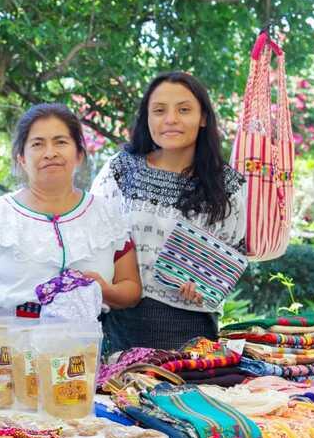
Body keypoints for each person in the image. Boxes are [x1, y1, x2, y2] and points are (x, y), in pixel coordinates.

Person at [91, 71, 247, 350]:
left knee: (186, 394)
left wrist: (205, 286)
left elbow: (234, 251)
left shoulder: (228, 185)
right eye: (159, 110)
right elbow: (93, 236)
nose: (171, 119)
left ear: (203, 118)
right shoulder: (121, 169)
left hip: (193, 326)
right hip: (120, 321)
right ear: (147, 118)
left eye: (184, 110)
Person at [0, 102, 141, 326]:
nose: (50, 153)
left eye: (61, 142)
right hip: (10, 348)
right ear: (21, 158)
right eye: (37, 144)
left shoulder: (106, 213)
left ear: (79, 154)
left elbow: (131, 288)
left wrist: (104, 289)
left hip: (85, 347)